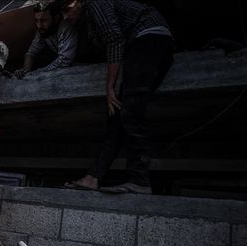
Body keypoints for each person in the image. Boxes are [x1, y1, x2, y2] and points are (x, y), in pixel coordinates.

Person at [62, 0, 174, 194]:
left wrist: (110, 87)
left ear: (79, 2)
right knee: (118, 116)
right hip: (142, 45)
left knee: (131, 113)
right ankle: (93, 177)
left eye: (68, 9)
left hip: (150, 39)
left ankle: (140, 180)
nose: (66, 16)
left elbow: (114, 40)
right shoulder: (87, 20)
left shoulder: (94, 4)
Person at [13, 1, 78, 78]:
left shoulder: (66, 28)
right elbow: (31, 53)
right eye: (36, 20)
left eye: (44, 20)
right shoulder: (43, 29)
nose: (39, 25)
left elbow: (64, 61)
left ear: (56, 18)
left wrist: (38, 73)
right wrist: (25, 70)